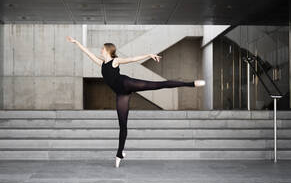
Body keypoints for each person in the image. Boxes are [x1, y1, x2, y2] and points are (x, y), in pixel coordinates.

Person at [66, 36, 205, 167]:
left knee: (157, 85)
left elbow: (132, 59)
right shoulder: (101, 62)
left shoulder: (115, 61)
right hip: (121, 94)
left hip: (127, 84)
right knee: (123, 125)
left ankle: (190, 84)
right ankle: (119, 154)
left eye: (102, 48)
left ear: (108, 50)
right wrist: (76, 42)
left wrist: (149, 55)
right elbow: (87, 52)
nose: (100, 50)